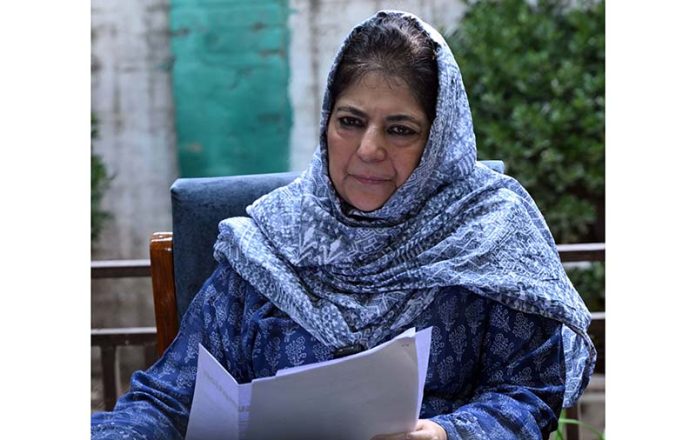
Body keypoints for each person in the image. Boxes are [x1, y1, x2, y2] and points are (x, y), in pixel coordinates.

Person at [92, 10, 595, 440]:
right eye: (350, 121)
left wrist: (451, 432)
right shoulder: (271, 241)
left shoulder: (488, 234)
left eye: (400, 130)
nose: (368, 149)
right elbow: (168, 398)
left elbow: (529, 391)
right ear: (327, 124)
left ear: (440, 142)